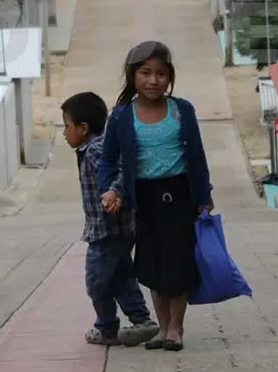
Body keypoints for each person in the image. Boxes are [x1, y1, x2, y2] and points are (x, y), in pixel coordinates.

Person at [98, 41, 214, 352]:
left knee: (179, 262)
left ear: (169, 77)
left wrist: (204, 195)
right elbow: (108, 159)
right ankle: (161, 329)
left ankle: (176, 328)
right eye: (145, 73)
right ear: (133, 76)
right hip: (143, 198)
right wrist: (108, 188)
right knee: (151, 264)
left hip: (180, 195)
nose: (153, 80)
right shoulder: (121, 116)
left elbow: (198, 156)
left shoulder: (182, 110)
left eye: (161, 73)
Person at [61, 91, 160, 348]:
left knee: (96, 281)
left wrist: (113, 192)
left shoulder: (95, 150)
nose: (64, 133)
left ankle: (106, 327)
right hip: (117, 229)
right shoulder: (98, 146)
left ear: (83, 128)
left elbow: (120, 172)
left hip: (107, 230)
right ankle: (142, 321)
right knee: (121, 276)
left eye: (66, 126)